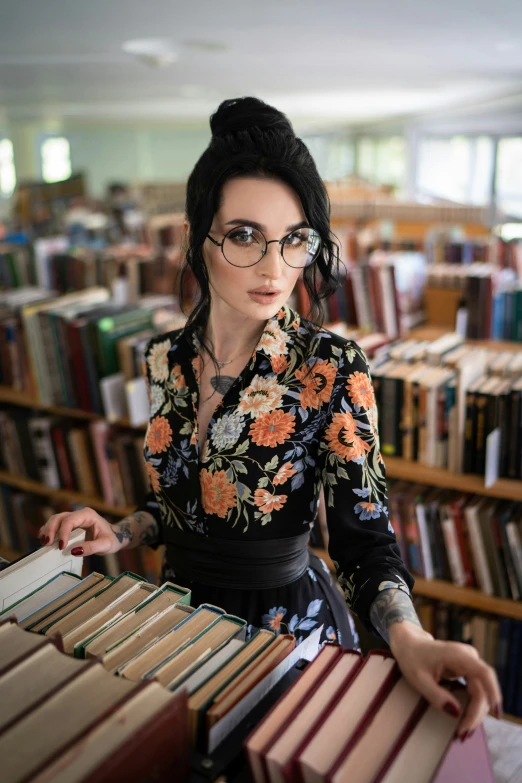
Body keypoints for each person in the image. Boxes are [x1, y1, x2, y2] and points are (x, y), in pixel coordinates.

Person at [39, 96, 501, 739]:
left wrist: (410, 638)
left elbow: (365, 542)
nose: (274, 267)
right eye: (245, 235)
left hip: (284, 634)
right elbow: (178, 506)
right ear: (197, 236)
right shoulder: (165, 359)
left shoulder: (331, 366)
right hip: (175, 623)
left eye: (295, 239)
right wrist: (119, 532)